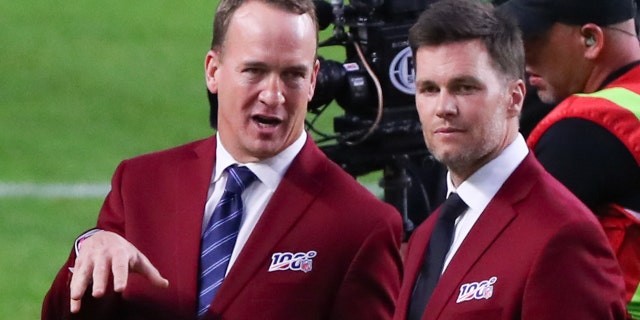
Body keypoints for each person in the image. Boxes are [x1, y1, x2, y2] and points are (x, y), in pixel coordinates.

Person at [41, 0, 404, 318]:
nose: (274, 95)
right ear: (213, 71)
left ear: (313, 81)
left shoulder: (361, 226)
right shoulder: (141, 183)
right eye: (255, 71)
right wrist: (89, 248)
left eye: (293, 75)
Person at [393, 0, 627, 319]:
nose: (443, 107)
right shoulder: (428, 234)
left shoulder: (562, 234)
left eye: (465, 87)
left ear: (514, 98)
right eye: (429, 89)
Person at [500, 0, 640, 316]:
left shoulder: (583, 132)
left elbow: (502, 261)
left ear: (591, 40)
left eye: (532, 38)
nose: (520, 58)